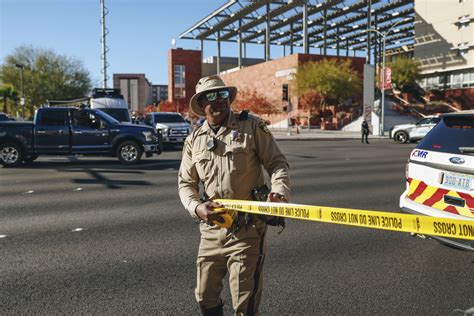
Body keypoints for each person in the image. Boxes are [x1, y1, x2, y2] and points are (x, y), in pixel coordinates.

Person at [178, 75, 291, 315]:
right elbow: (186, 183)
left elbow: (277, 163)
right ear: (201, 105)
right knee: (204, 296)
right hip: (212, 228)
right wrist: (197, 208)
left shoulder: (251, 126)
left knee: (244, 303)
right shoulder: (194, 140)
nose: (219, 101)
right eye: (212, 97)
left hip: (247, 229)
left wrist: (278, 191)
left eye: (223, 95)